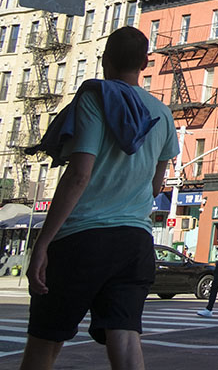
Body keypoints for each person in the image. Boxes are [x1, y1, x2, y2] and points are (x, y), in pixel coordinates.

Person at [20, 27, 180, 370]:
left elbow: (79, 174)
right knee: (124, 337)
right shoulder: (163, 114)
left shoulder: (96, 98)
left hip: (82, 239)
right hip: (135, 244)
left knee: (46, 340)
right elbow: (156, 186)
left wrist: (43, 243)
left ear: (105, 60)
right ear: (144, 63)